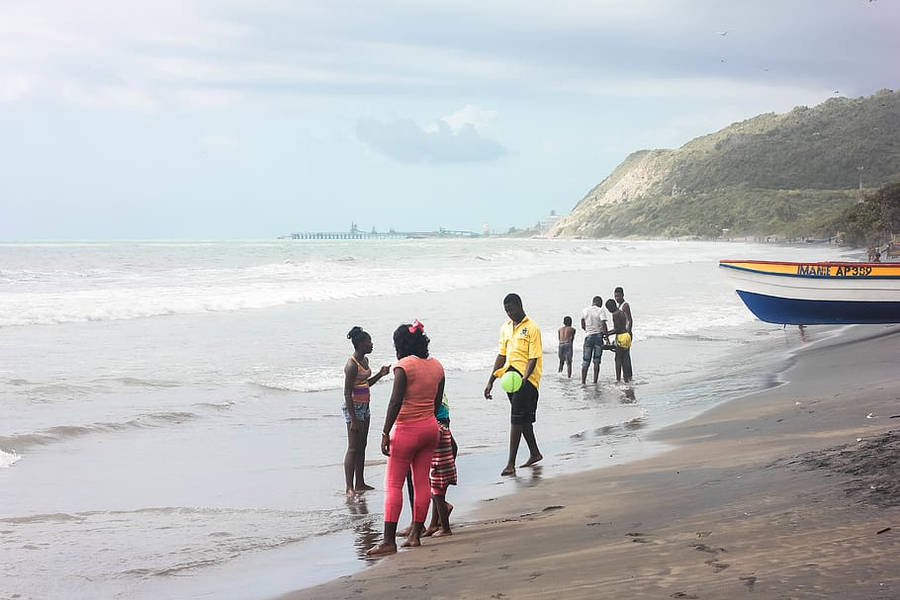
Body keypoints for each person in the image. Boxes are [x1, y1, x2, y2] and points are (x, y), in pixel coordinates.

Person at [367, 320, 444, 556]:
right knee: (422, 482)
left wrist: (384, 432)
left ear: (400, 344)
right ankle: (415, 536)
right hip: (430, 429)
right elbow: (437, 403)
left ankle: (388, 541)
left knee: (393, 484)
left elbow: (395, 401)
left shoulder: (403, 366)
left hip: (406, 430)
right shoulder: (437, 366)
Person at [484, 293, 543, 476]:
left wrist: (524, 379)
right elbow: (502, 355)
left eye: (511, 309)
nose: (509, 313)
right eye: (506, 310)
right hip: (509, 377)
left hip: (527, 379)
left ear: (520, 305)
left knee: (516, 418)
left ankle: (510, 463)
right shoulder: (505, 328)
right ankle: (535, 453)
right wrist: (491, 380)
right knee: (522, 419)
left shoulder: (532, 328)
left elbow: (534, 357)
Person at [343, 327, 390, 497]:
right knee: (353, 448)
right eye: (369, 342)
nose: (371, 344)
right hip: (354, 408)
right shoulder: (351, 365)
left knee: (362, 446)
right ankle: (349, 487)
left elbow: (365, 384)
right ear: (360, 344)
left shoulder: (365, 361)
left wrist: (380, 374)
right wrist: (353, 419)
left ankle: (360, 482)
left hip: (365, 406)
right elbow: (347, 392)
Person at [424, 393, 457, 537]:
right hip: (444, 465)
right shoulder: (444, 429)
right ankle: (434, 523)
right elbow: (454, 447)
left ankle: (443, 525)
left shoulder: (435, 428)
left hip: (438, 468)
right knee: (437, 492)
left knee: (434, 490)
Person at [580, 296, 609, 384]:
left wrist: (586, 329)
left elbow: (582, 321)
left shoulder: (585, 310)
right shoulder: (601, 310)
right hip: (598, 337)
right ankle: (595, 382)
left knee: (585, 361)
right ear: (600, 303)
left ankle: (583, 382)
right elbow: (603, 324)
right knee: (596, 361)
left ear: (593, 302)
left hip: (589, 336)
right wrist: (607, 338)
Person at [605, 299, 633, 383]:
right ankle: (627, 379)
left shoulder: (615, 314)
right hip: (627, 336)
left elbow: (617, 329)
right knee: (625, 359)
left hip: (621, 337)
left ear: (611, 307)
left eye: (608, 309)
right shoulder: (621, 312)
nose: (609, 311)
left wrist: (608, 333)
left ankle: (618, 379)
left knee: (618, 359)